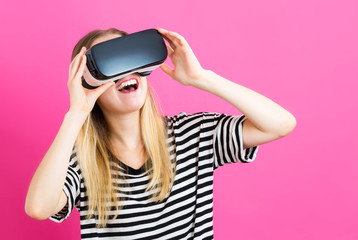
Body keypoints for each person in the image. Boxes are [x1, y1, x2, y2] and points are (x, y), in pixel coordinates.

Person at [25, 27, 296, 239]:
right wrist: (76, 114)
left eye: (130, 57)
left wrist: (202, 78)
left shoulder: (194, 135)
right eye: (110, 66)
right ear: (88, 82)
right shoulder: (82, 162)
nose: (125, 72)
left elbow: (280, 124)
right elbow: (38, 207)